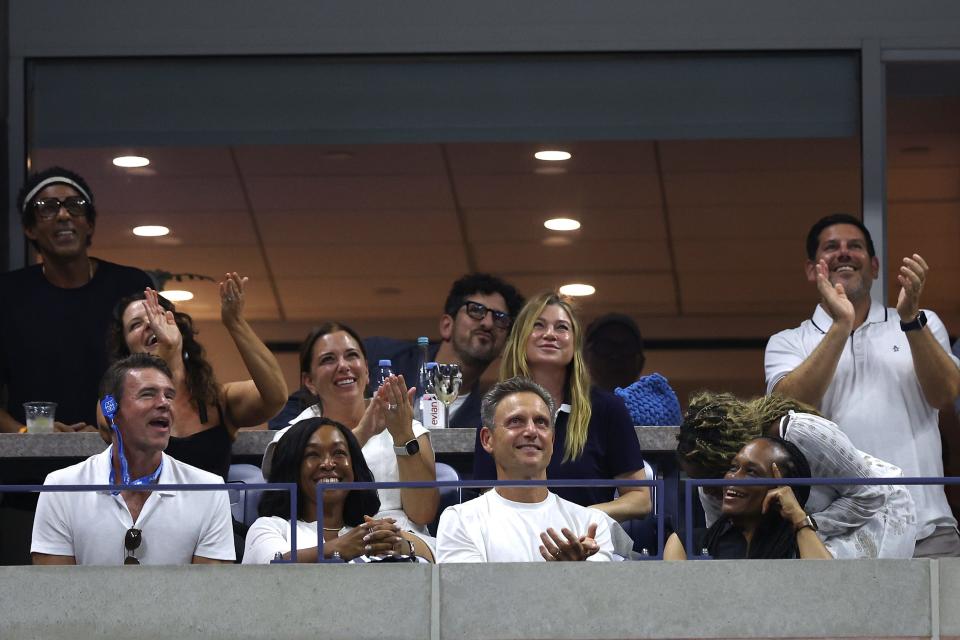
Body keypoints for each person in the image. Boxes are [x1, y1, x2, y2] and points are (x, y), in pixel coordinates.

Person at [765, 213, 960, 558]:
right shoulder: (789, 341)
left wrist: (911, 320)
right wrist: (842, 324)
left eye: (854, 246)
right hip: (835, 534)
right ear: (812, 270)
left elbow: (946, 395)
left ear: (874, 266)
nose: (843, 253)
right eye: (831, 247)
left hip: (927, 530)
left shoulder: (920, 322)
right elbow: (786, 412)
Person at [31, 354, 235, 565]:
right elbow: (54, 591)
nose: (164, 403)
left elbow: (210, 593)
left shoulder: (209, 490)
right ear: (110, 410)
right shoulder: (61, 488)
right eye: (148, 394)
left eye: (169, 396)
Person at [472, 292, 650, 522]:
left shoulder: (608, 408)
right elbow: (487, 496)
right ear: (520, 338)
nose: (550, 335)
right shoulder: (496, 408)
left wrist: (581, 518)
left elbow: (640, 497)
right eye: (538, 325)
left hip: (588, 546)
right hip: (516, 544)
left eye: (561, 328)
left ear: (575, 344)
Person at [0, 167, 152, 432]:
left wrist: (109, 425)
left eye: (75, 205)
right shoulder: (8, 295)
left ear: (89, 223)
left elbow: (155, 374)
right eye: (47, 207)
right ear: (29, 228)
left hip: (118, 455)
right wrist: (27, 434)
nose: (63, 214)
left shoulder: (129, 286)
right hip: (29, 462)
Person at [675, 391, 917, 559]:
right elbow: (729, 544)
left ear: (736, 454)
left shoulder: (802, 432)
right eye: (698, 480)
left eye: (711, 477)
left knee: (821, 573)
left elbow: (871, 494)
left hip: (876, 508)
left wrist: (801, 526)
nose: (707, 491)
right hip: (797, 522)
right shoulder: (712, 479)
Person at [268, 273, 524, 429]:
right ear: (447, 325)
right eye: (476, 311)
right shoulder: (380, 357)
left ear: (505, 343)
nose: (488, 323)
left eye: (501, 319)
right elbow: (298, 406)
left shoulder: (489, 412)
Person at [264, 322, 438, 538]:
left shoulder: (405, 426)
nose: (343, 366)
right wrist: (363, 432)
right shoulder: (292, 436)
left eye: (351, 355)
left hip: (401, 541)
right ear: (309, 381)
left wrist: (403, 436)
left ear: (366, 369)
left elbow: (423, 513)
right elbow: (289, 507)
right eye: (328, 359)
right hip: (322, 543)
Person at [105, 278, 288, 480]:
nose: (150, 324)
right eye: (136, 324)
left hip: (214, 511)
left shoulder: (218, 399)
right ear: (127, 348)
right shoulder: (112, 399)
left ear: (180, 330)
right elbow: (108, 417)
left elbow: (276, 396)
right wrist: (166, 353)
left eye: (157, 315)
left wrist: (235, 322)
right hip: (148, 511)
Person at [437, 377, 613, 562]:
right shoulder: (460, 521)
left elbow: (599, 591)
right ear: (487, 439)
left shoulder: (591, 524)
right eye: (516, 421)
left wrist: (577, 572)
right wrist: (561, 576)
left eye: (541, 422)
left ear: (552, 441)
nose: (531, 431)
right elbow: (468, 590)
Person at [244, 417, 433, 563]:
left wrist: (401, 544)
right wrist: (339, 549)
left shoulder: (366, 532)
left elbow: (443, 556)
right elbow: (270, 566)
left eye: (339, 453)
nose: (328, 464)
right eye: (312, 454)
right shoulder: (271, 527)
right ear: (292, 467)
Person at [664, 436, 832, 560]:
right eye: (733, 467)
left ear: (782, 489)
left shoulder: (801, 547)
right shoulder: (686, 544)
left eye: (751, 472)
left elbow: (832, 591)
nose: (733, 478)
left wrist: (798, 517)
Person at [584, 312, 681, 426]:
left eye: (626, 347)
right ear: (585, 356)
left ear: (640, 361)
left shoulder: (663, 416)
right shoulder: (568, 411)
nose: (615, 355)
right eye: (605, 346)